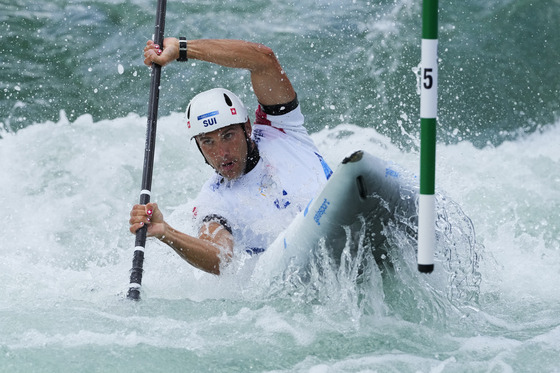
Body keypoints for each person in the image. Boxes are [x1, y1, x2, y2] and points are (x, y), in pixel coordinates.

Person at [129, 38, 332, 275]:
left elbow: (263, 60)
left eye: (228, 135)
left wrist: (182, 49)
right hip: (300, 274)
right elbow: (220, 258)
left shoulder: (281, 128)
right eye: (208, 142)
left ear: (247, 127)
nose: (221, 153)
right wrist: (166, 231)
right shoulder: (215, 200)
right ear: (198, 145)